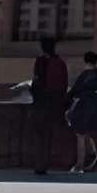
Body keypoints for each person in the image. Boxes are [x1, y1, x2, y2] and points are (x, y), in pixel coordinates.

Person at [28, 33, 69, 176]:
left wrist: (33, 92)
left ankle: (40, 164)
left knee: (40, 134)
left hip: (42, 102)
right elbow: (64, 84)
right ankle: (46, 162)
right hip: (55, 102)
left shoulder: (41, 62)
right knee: (49, 134)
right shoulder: (61, 63)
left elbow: (36, 80)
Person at [65, 51, 97, 174]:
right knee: (86, 132)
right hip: (96, 108)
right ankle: (93, 154)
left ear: (85, 61)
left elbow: (74, 92)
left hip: (83, 108)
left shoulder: (84, 75)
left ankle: (79, 165)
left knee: (80, 135)